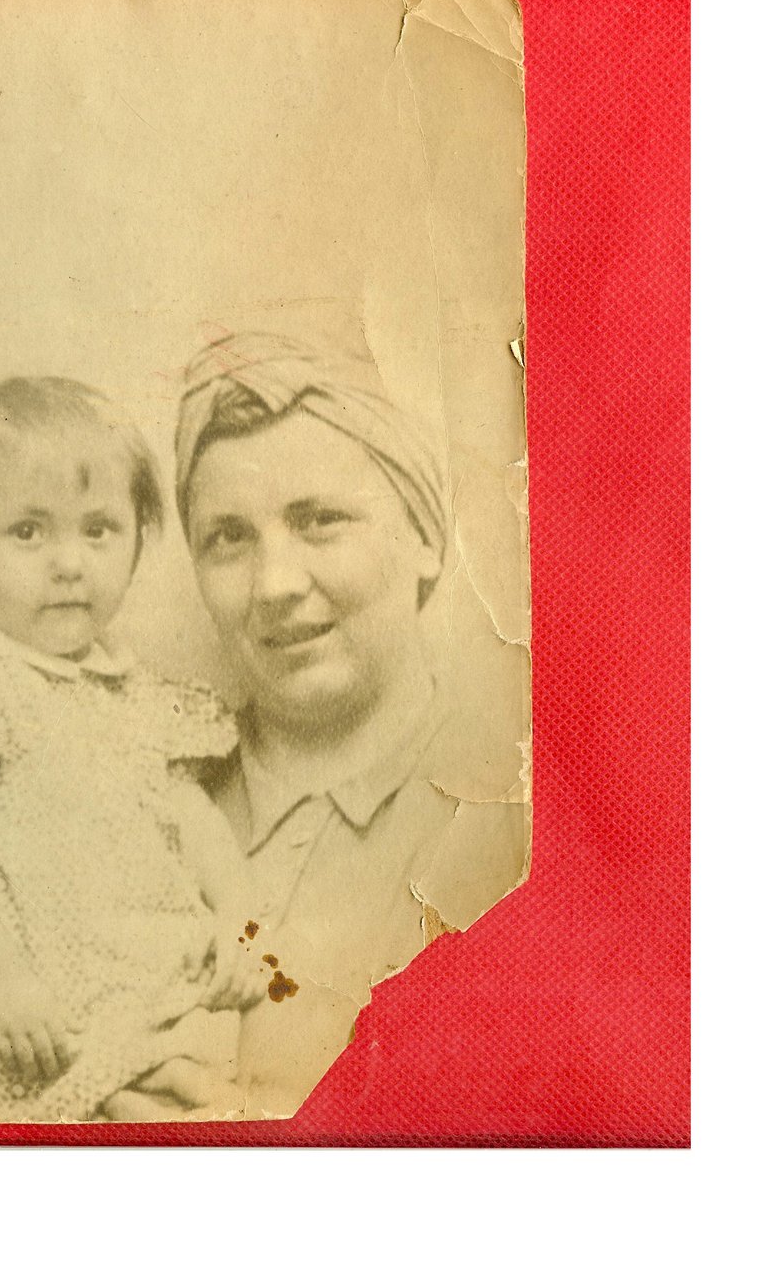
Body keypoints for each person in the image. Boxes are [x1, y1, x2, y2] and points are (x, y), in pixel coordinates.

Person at [103, 331, 526, 1120]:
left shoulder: (514, 814)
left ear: (428, 540)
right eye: (229, 537)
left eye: (321, 519)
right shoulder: (141, 801)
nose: (275, 584)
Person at [0, 377, 267, 1122]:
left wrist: (240, 922)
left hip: (120, 956)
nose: (69, 563)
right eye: (28, 532)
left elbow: (197, 823)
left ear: (138, 541)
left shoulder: (140, 692)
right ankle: (119, 1097)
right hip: (16, 968)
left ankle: (167, 1093)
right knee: (75, 1069)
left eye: (98, 530)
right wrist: (1, 973)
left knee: (204, 1042)